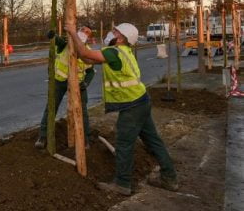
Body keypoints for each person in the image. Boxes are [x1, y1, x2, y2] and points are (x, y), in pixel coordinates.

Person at [66, 22, 178, 196]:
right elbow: (88, 58)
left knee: (124, 144)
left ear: (120, 37)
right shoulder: (124, 52)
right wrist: (79, 52)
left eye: (114, 31)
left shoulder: (114, 52)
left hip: (132, 105)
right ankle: (169, 178)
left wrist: (73, 33)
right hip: (142, 101)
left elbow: (85, 52)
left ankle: (122, 183)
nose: (111, 33)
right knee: (153, 141)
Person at [35, 26, 95, 149]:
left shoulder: (87, 52)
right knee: (51, 107)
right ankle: (43, 136)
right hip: (60, 81)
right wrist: (52, 35)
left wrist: (86, 83)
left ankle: (85, 139)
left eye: (87, 32)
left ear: (89, 37)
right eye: (83, 29)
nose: (84, 32)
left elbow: (91, 71)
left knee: (82, 111)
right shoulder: (66, 44)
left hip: (78, 85)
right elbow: (57, 40)